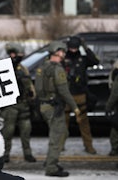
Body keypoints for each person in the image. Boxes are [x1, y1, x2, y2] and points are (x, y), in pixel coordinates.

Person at [35, 41, 81, 177]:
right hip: (54, 107)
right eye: (62, 51)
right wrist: (75, 108)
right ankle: (51, 167)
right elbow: (64, 91)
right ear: (57, 52)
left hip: (44, 106)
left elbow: (38, 88)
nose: (64, 54)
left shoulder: (42, 67)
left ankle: (51, 160)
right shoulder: (57, 69)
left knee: (63, 133)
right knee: (57, 137)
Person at [60, 36, 99, 154]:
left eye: (75, 48)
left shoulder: (83, 59)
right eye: (71, 48)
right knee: (62, 122)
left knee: (83, 122)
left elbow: (95, 61)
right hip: (66, 95)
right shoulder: (63, 58)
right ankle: (59, 145)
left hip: (80, 94)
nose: (73, 50)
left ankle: (89, 146)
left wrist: (85, 47)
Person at [0, 42, 37, 163]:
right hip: (11, 105)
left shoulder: (22, 68)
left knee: (26, 131)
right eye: (18, 54)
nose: (20, 56)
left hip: (24, 103)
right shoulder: (4, 67)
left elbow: (29, 85)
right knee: (8, 131)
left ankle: (27, 153)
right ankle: (5, 154)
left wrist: (32, 95)